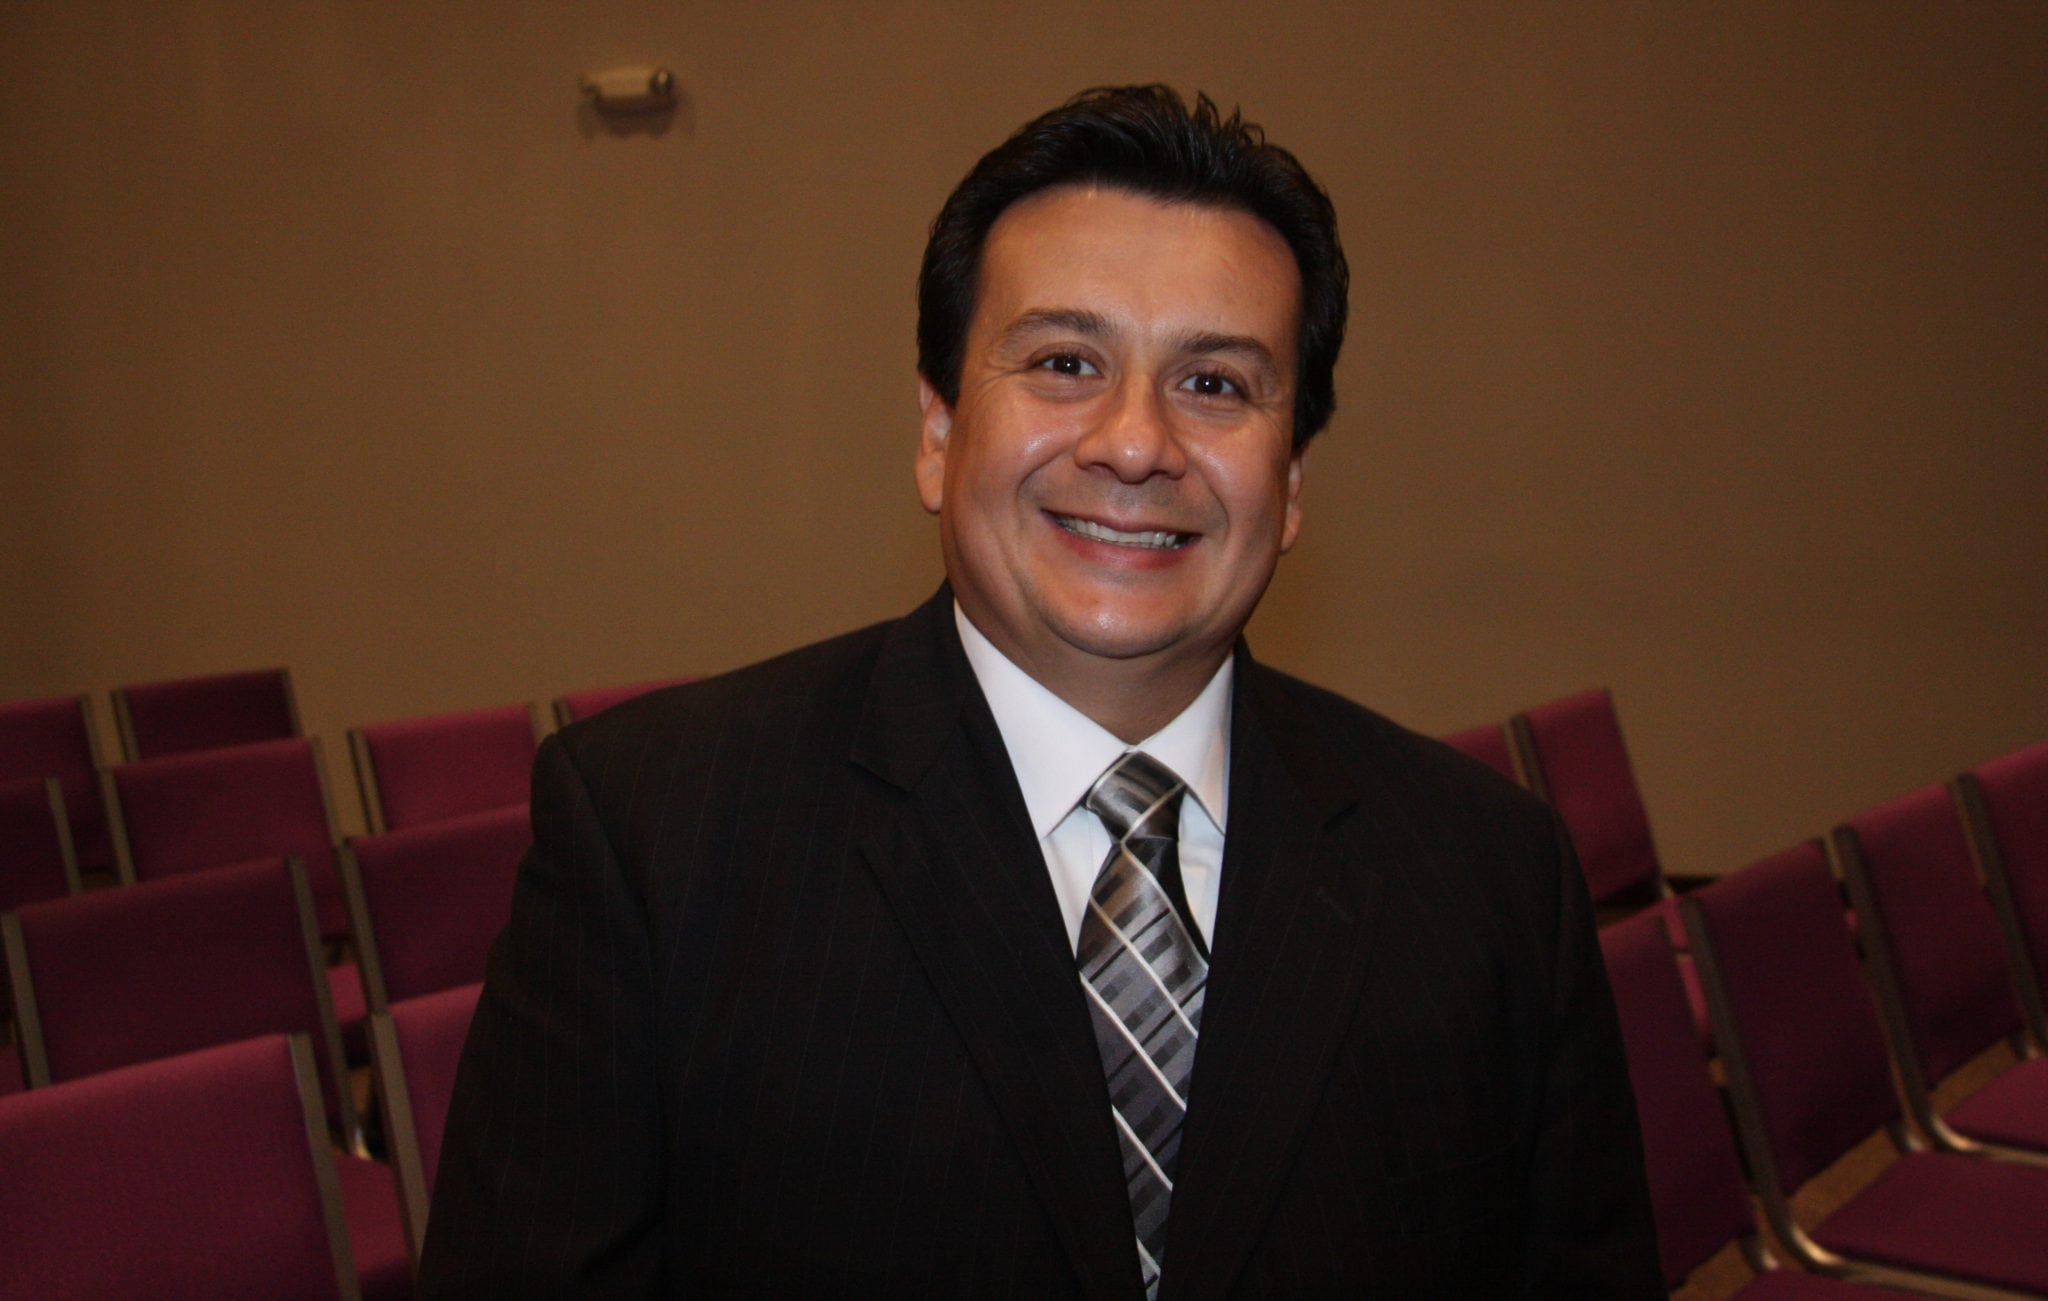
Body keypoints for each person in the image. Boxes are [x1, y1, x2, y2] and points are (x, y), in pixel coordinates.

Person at [419, 85, 1661, 1297]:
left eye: (1214, 384)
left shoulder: (1490, 875)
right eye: (1065, 362)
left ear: (1289, 486)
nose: (1135, 443)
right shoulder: (658, 833)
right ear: (936, 432)